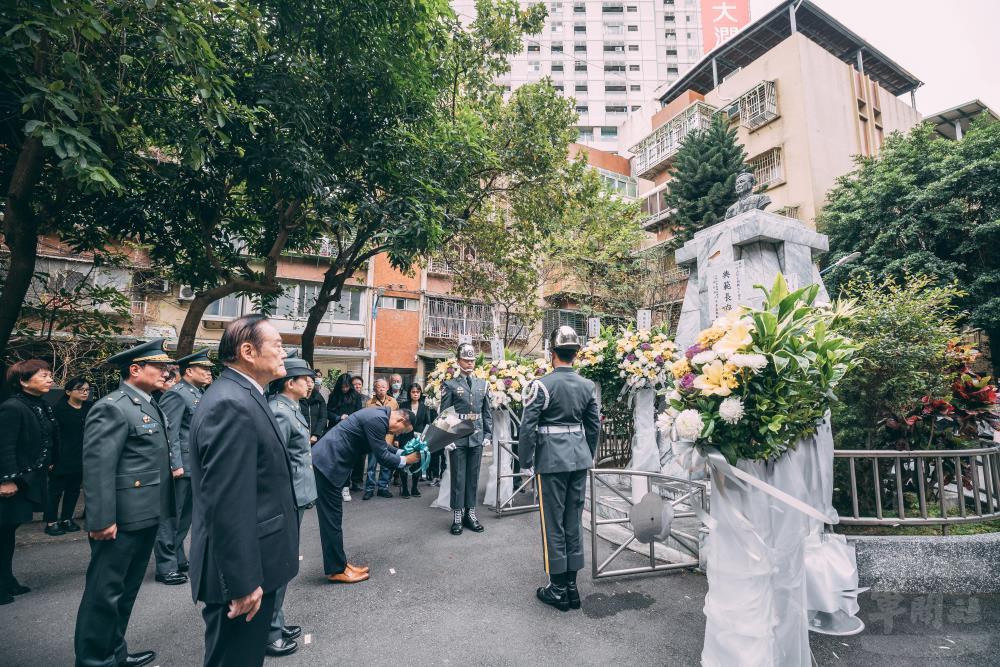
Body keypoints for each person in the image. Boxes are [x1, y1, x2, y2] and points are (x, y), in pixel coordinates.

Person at [188, 314, 299, 667]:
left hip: (255, 563)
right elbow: (228, 501)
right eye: (278, 346)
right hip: (241, 574)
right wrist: (243, 581)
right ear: (248, 351)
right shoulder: (230, 403)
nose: (284, 353)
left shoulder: (245, 394)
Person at [74, 340, 175, 667]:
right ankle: (93, 660)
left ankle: (113, 652)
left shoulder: (147, 403)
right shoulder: (114, 406)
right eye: (158, 367)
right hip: (120, 519)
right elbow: (99, 467)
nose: (165, 372)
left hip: (145, 515)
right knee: (104, 594)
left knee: (125, 591)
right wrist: (101, 520)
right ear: (135, 369)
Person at [517, 326, 600, 612]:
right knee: (573, 521)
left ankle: (557, 589)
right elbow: (593, 427)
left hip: (551, 462)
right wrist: (587, 454)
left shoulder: (541, 385)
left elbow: (528, 428)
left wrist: (525, 461)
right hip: (579, 459)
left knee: (553, 523)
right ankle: (573, 588)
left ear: (552, 354)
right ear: (575, 353)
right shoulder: (588, 386)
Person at [311, 406, 419, 582]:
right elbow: (382, 455)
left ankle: (340, 565)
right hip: (327, 465)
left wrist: (402, 453)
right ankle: (337, 570)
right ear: (400, 420)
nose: (398, 434)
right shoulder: (377, 420)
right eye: (401, 431)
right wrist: (406, 460)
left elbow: (381, 445)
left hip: (328, 463)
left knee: (333, 519)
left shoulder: (378, 416)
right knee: (331, 520)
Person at [265, 358, 319, 658]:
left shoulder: (291, 408)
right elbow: (275, 462)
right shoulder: (279, 411)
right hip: (285, 497)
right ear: (290, 382)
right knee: (278, 564)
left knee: (284, 563)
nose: (310, 383)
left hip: (295, 495)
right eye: (306, 378)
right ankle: (268, 630)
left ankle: (276, 621)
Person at [153, 349, 214, 587]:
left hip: (195, 465)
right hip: (181, 467)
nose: (209, 372)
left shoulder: (196, 393)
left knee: (185, 516)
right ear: (189, 371)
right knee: (171, 517)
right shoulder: (177, 394)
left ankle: (177, 556)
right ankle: (165, 566)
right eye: (204, 369)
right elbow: (170, 432)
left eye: (209, 369)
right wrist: (175, 463)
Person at [0, 359, 55, 606]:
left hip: (28, 479)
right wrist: (6, 480)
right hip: (12, 483)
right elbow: (4, 446)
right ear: (22, 381)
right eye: (43, 375)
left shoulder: (39, 404)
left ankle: (7, 579)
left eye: (50, 375)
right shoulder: (13, 407)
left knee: (8, 532)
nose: (50, 379)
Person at [440, 343, 492, 535]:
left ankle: (471, 514)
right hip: (458, 436)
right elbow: (445, 412)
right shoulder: (450, 385)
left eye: (471, 360)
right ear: (458, 361)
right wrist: (446, 438)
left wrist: (488, 434)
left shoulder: (483, 384)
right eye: (465, 360)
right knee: (459, 477)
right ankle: (457, 516)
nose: (469, 363)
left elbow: (487, 413)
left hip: (477, 435)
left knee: (473, 478)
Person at [45, 376, 90, 536]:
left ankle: (66, 518)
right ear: (69, 391)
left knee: (73, 490)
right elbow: (50, 435)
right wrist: (51, 458)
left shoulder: (88, 408)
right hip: (61, 455)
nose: (85, 393)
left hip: (80, 456)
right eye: (81, 389)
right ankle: (51, 521)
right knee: (55, 491)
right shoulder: (58, 409)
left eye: (87, 390)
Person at [327, 374, 365, 501]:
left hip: (350, 431)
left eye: (347, 387)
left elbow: (359, 413)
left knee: (347, 460)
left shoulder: (356, 396)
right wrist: (338, 418)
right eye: (342, 387)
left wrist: (349, 419)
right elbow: (328, 412)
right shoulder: (333, 396)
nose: (344, 389)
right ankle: (335, 487)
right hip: (335, 430)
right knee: (335, 460)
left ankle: (345, 487)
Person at [396, 383, 434, 498]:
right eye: (413, 392)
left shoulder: (424, 407)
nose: (416, 394)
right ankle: (404, 489)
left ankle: (414, 488)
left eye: (418, 392)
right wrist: (396, 438)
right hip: (404, 437)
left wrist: (425, 438)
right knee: (404, 462)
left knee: (417, 461)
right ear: (409, 393)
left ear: (420, 393)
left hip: (419, 440)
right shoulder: (403, 405)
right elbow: (397, 422)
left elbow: (428, 424)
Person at [363, 378, 398, 500]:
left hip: (388, 438)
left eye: (384, 386)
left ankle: (383, 487)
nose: (381, 388)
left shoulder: (393, 402)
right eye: (378, 386)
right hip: (373, 439)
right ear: (375, 389)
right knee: (372, 465)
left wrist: (396, 438)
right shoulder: (369, 403)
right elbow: (366, 421)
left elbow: (398, 421)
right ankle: (369, 489)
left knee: (386, 464)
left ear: (387, 388)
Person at [300, 380, 327, 445]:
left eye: (312, 382)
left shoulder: (319, 398)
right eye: (307, 382)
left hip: (317, 438)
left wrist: (316, 434)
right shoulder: (297, 398)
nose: (310, 384)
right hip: (301, 438)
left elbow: (323, 417)